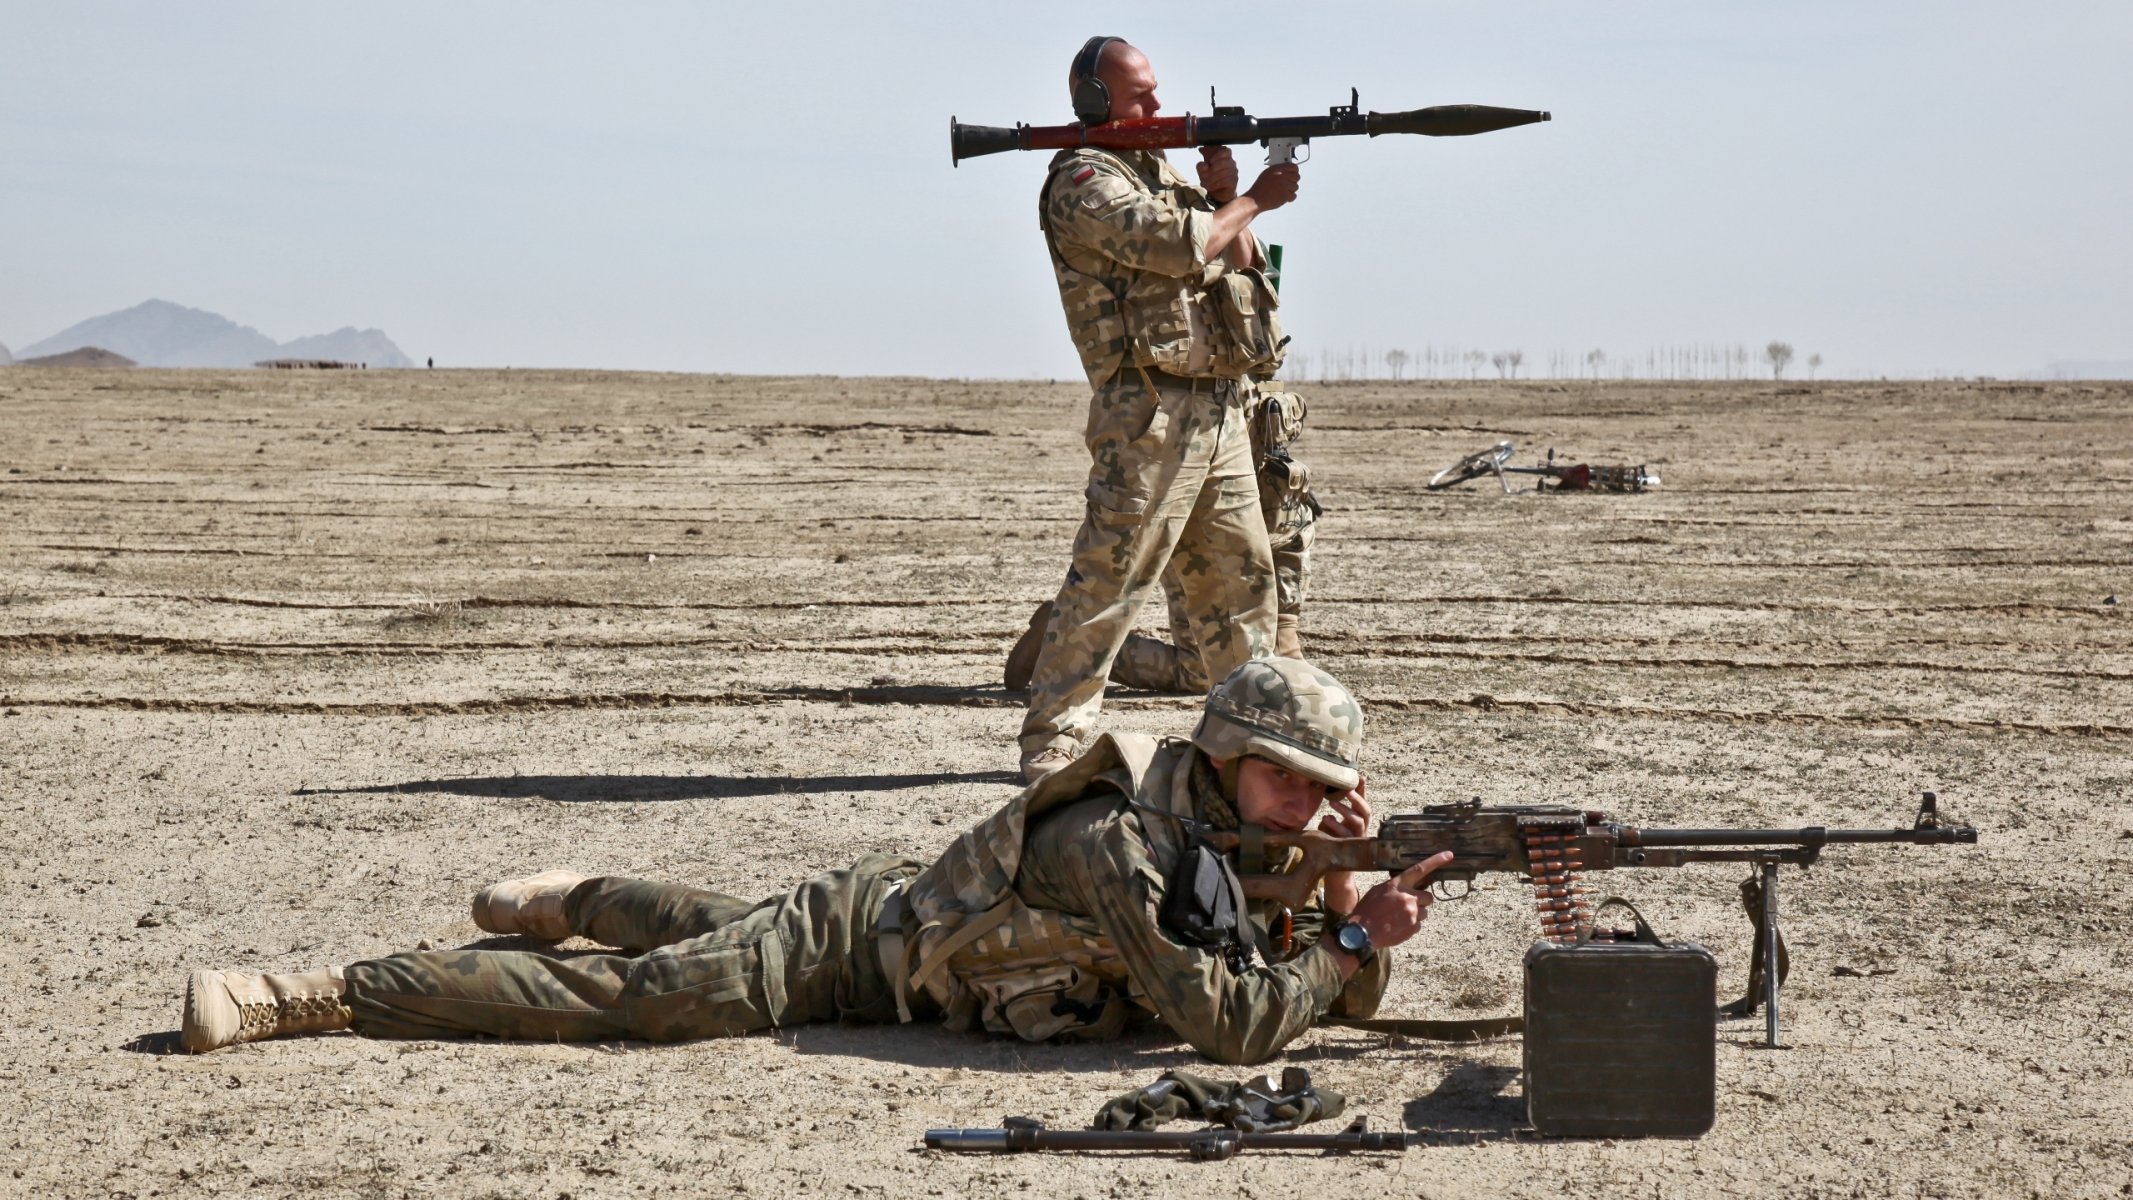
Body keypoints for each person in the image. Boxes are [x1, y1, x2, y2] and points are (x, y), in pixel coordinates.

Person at [180, 659, 1450, 1066]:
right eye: (1295, 781)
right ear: (1228, 754)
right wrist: (1346, 939)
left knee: (701, 926)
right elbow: (1229, 1029)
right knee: (653, 999)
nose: (1310, 806)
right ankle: (325, 992)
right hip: (862, 949)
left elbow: (1328, 983)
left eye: (1330, 794)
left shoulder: (1232, 836)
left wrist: (1339, 891)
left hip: (910, 950)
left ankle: (575, 898)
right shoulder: (1123, 837)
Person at [1016, 36, 1301, 783]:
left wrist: (1225, 196)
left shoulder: (1156, 170)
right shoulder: (1084, 179)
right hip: (1147, 414)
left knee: (1242, 583)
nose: (1155, 106)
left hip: (1216, 407)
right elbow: (1172, 246)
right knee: (1112, 582)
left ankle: (1254, 736)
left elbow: (1236, 265)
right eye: (1138, 95)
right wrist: (1249, 200)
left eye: (1153, 91)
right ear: (1092, 101)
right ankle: (1056, 742)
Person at [1007, 383, 1321, 694]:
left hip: (1253, 515)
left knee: (1243, 666)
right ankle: (1065, 640)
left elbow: (1296, 531)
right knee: (1203, 672)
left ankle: (1068, 639)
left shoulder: (1270, 454)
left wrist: (1287, 631)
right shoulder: (1215, 393)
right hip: (1196, 523)